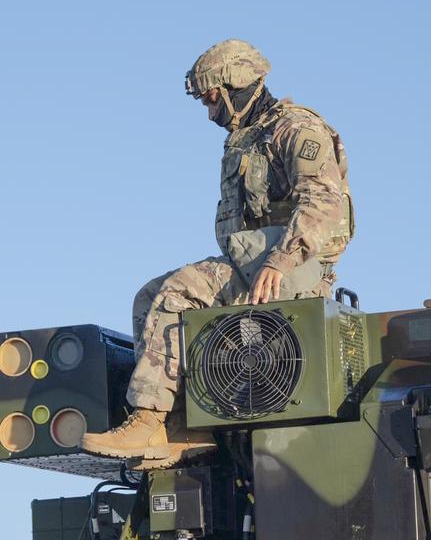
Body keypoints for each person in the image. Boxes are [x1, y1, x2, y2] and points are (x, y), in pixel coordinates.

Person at [80, 39, 353, 470]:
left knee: (177, 292)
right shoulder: (247, 138)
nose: (211, 114)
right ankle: (183, 427)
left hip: (293, 270)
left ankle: (150, 416)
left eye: (213, 100)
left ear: (235, 87)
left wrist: (280, 260)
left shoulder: (294, 129)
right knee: (147, 296)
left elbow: (324, 203)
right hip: (255, 264)